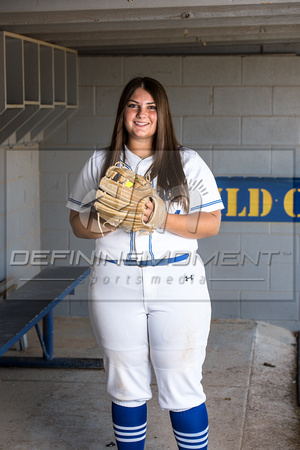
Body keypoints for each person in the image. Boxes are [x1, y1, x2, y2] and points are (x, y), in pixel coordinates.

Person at [67, 77, 224, 449]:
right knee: (125, 384)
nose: (142, 114)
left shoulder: (187, 162)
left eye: (151, 106)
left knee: (183, 382)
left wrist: (162, 219)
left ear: (162, 113)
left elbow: (212, 223)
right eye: (134, 105)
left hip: (178, 284)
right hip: (114, 282)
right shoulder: (100, 161)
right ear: (123, 112)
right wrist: (103, 220)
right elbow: (76, 223)